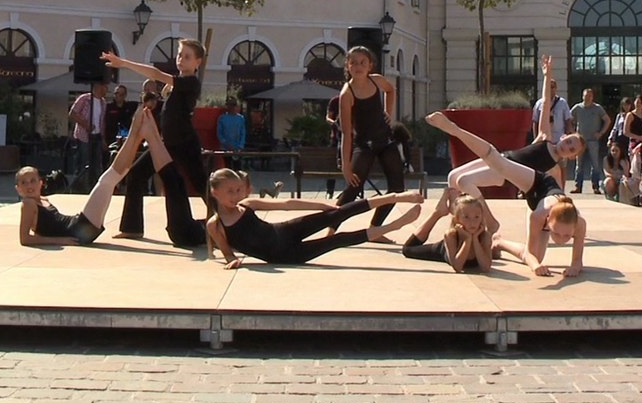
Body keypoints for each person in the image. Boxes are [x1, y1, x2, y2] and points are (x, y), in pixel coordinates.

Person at [435, 55, 588, 277]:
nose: (568, 146)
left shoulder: (554, 168)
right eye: (569, 141)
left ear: (572, 157)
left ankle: (491, 225)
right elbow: (545, 104)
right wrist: (547, 75)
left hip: (506, 173)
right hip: (502, 159)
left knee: (464, 181)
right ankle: (466, 228)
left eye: (572, 149)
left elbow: (556, 195)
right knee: (453, 177)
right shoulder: (545, 136)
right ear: (563, 136)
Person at [15, 102, 174, 246]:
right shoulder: (28, 204)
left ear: (40, 182)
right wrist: (61, 240)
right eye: (24, 182)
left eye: (32, 180)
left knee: (109, 180)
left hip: (79, 226)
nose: (29, 185)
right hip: (79, 230)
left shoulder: (42, 200)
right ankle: (137, 133)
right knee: (107, 180)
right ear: (18, 189)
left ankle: (138, 134)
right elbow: (25, 239)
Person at [101, 40, 209, 248]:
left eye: (187, 56)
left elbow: (156, 74)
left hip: (185, 144)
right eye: (179, 55)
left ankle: (230, 224)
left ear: (198, 62)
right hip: (167, 144)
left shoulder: (191, 83)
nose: (180, 59)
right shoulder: (177, 84)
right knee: (136, 174)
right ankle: (132, 227)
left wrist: (123, 63)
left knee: (201, 185)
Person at [206, 167, 423, 269]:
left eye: (237, 190)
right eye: (230, 192)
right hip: (285, 254)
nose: (236, 196)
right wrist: (231, 262)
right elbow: (228, 255)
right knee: (337, 240)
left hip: (283, 231)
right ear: (215, 192)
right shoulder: (215, 225)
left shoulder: (247, 205)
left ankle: (396, 197)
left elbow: (287, 205)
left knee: (337, 213)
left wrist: (322, 206)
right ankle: (394, 225)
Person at [335, 46, 405, 230]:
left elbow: (391, 90)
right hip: (364, 145)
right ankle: (330, 228)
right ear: (347, 66)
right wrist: (346, 166)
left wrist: (388, 112)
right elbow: (346, 132)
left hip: (385, 141)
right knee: (353, 189)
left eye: (362, 62)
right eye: (354, 63)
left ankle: (375, 228)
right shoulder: (346, 94)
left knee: (397, 188)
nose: (358, 66)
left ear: (370, 66)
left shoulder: (377, 81)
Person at [402, 188, 499, 272]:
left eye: (476, 217)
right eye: (466, 217)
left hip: (476, 240)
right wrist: (467, 240)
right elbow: (457, 266)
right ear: (457, 219)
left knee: (493, 253)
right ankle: (437, 213)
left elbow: (486, 268)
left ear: (482, 218)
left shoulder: (485, 236)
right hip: (443, 250)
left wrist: (475, 240)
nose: (472, 222)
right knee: (408, 250)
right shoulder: (451, 235)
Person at [68, 80, 109, 192]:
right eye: (105, 86)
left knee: (97, 164)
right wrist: (86, 124)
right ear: (98, 86)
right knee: (83, 163)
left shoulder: (103, 102)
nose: (107, 89)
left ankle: (95, 189)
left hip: (97, 137)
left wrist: (103, 139)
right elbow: (72, 114)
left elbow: (102, 121)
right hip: (83, 136)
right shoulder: (84, 99)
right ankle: (79, 188)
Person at [531, 77, 573, 185]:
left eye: (553, 87)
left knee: (561, 166)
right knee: (543, 167)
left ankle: (562, 189)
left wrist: (568, 135)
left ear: (556, 88)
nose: (551, 89)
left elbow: (568, 120)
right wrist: (537, 139)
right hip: (545, 141)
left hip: (559, 140)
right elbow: (535, 121)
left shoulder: (562, 103)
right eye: (549, 87)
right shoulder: (539, 103)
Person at [568, 88, 609, 194]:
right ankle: (578, 186)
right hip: (580, 141)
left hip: (593, 140)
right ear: (582, 96)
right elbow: (568, 120)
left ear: (592, 97)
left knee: (595, 164)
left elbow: (607, 120)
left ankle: (595, 186)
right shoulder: (577, 108)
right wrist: (573, 133)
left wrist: (600, 133)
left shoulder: (598, 108)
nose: (587, 98)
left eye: (590, 96)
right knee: (579, 164)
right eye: (586, 96)